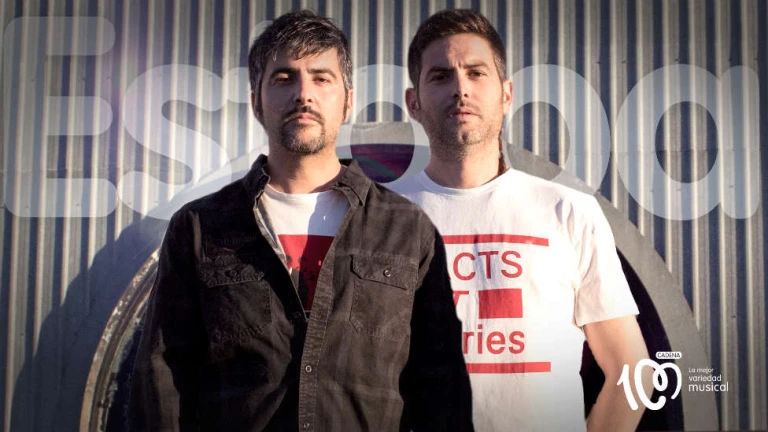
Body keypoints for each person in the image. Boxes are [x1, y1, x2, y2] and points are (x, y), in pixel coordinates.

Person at [128, 10, 472, 431]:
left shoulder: (405, 230)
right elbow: (162, 379)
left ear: (347, 101)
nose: (303, 94)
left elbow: (442, 390)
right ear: (256, 102)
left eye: (321, 78)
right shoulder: (200, 227)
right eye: (284, 78)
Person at [391, 9, 652, 432]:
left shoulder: (569, 211)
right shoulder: (382, 217)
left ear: (506, 94)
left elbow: (632, 368)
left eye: (477, 73)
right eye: (440, 76)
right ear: (413, 103)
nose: (460, 88)